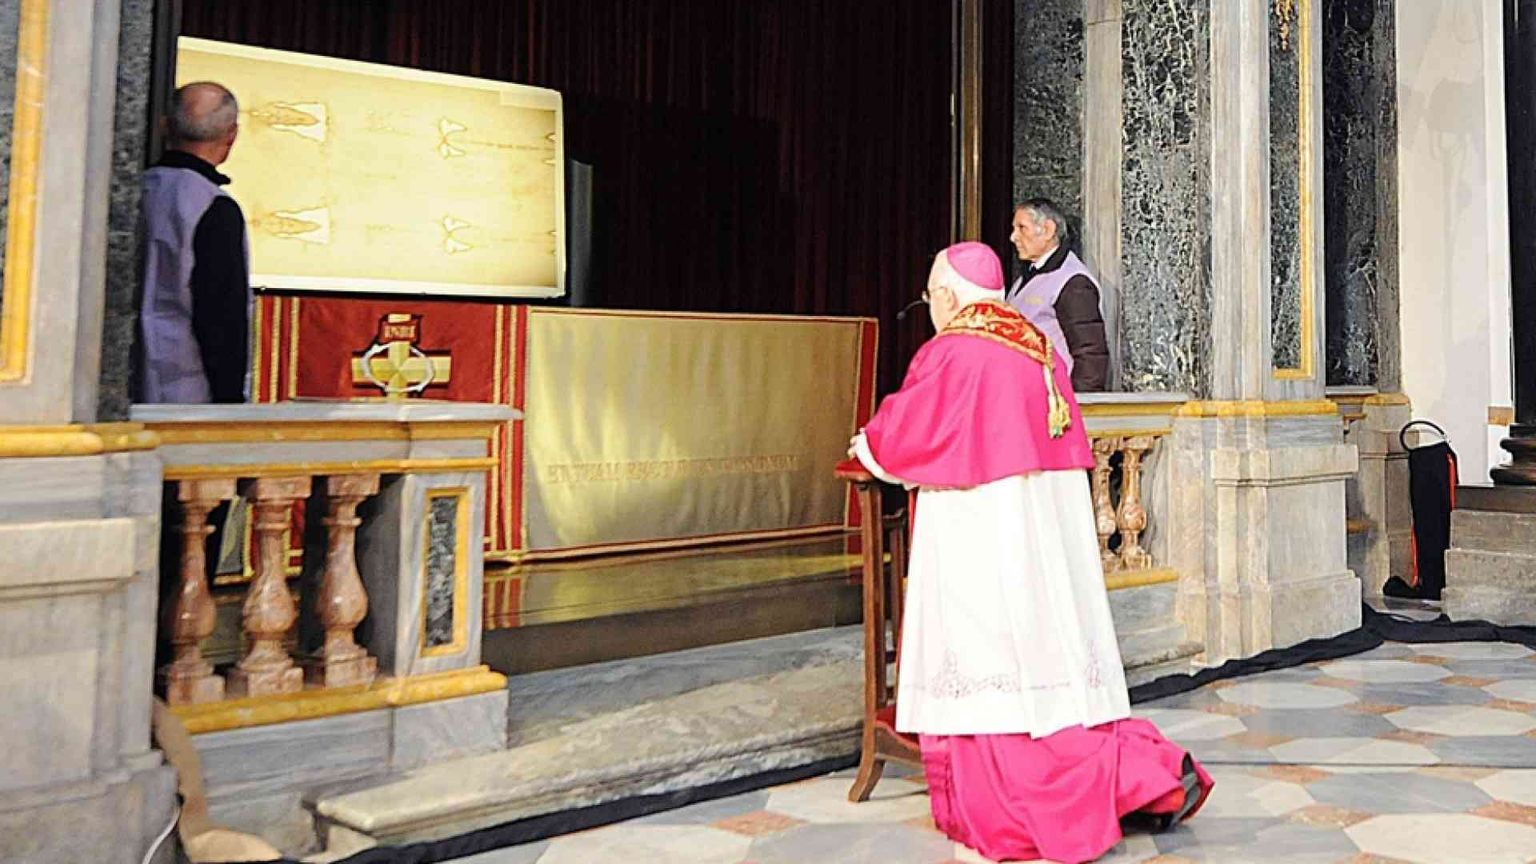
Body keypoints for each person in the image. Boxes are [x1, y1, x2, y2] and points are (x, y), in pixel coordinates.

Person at [850, 242, 1210, 863]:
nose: (932, 306)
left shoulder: (955, 349)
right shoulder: (1038, 346)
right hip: (1043, 551)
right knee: (1046, 687)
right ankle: (1141, 774)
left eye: (932, 295)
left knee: (994, 691)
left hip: (980, 541)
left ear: (947, 297)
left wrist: (865, 445)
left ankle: (1100, 791)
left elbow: (904, 433)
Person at [135, 81, 251, 404]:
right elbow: (221, 315)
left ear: (164, 126)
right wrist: (229, 400)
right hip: (186, 389)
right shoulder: (214, 207)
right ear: (231, 135)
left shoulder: (131, 191)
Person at [1007, 198, 1111, 392]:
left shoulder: (1073, 282)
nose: (1014, 237)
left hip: (1055, 397)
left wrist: (1080, 402)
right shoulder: (1026, 278)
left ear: (1047, 230)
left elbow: (1090, 354)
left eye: (1022, 228)